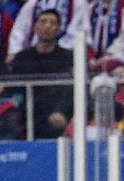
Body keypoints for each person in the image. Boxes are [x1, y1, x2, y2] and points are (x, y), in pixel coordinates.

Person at [7, 8, 74, 138]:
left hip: (60, 115)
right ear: (35, 27)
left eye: (52, 23)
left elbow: (71, 92)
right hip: (30, 115)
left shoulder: (68, 58)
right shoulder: (22, 58)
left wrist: (62, 112)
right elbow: (15, 92)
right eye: (43, 22)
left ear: (59, 29)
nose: (48, 26)